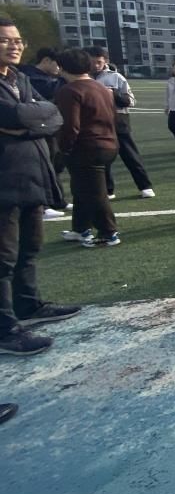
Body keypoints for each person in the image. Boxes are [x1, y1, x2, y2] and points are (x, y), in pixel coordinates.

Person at [0, 18, 78, 357]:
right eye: (5, 40)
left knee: (29, 248)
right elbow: (15, 117)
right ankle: (5, 329)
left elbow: (53, 116)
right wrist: (28, 119)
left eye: (18, 40)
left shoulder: (20, 78)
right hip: (4, 181)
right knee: (2, 258)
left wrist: (26, 122)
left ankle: (28, 304)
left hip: (31, 177)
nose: (14, 45)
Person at [54, 48, 122, 248]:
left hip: (86, 147)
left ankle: (108, 233)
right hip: (107, 143)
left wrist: (63, 148)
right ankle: (80, 228)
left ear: (62, 67)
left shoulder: (70, 90)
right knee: (81, 188)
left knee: (93, 192)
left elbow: (71, 126)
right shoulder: (101, 87)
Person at [86, 46, 154, 199]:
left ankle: (145, 186)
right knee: (103, 157)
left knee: (130, 155)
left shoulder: (116, 77)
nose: (95, 65)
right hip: (96, 123)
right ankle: (108, 190)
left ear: (105, 61)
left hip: (118, 121)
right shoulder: (84, 78)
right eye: (92, 62)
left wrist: (113, 94)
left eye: (99, 62)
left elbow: (131, 101)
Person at [19, 49, 67, 218]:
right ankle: (44, 205)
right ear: (46, 60)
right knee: (41, 166)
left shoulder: (22, 77)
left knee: (53, 164)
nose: (60, 69)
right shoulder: (31, 76)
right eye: (58, 65)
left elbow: (43, 102)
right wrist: (64, 78)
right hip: (34, 130)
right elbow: (42, 101)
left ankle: (57, 200)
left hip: (46, 127)